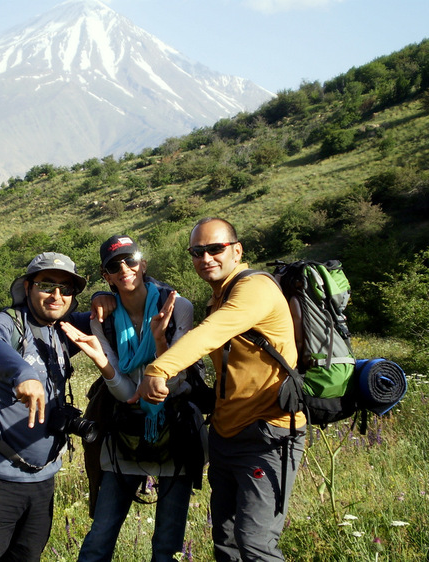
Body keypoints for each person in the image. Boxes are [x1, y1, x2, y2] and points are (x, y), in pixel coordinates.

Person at [131, 218, 307, 562]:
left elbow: (212, 332)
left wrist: (157, 369)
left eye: (215, 248)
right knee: (225, 539)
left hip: (267, 434)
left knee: (255, 543)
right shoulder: (219, 296)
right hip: (227, 435)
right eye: (197, 251)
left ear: (236, 250)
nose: (206, 257)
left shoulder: (254, 288)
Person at [61, 235, 203, 562]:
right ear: (106, 275)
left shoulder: (178, 307)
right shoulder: (102, 320)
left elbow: (176, 378)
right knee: (100, 538)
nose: (125, 269)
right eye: (114, 265)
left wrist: (158, 340)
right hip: (124, 434)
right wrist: (101, 362)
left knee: (167, 546)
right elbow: (125, 394)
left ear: (143, 264)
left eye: (131, 259)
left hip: (175, 432)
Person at [0, 252, 94, 562]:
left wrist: (103, 300)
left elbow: (112, 309)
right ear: (28, 287)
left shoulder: (61, 330)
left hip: (42, 482)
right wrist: (23, 374)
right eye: (47, 285)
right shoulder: (6, 323)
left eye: (66, 289)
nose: (57, 295)